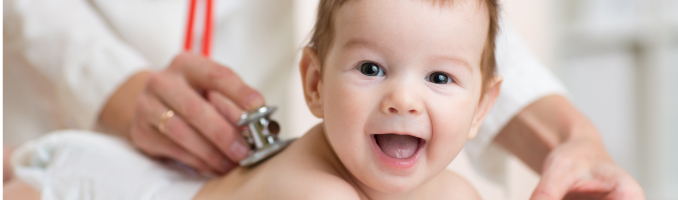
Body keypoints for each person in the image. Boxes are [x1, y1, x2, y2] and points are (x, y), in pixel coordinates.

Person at [3, 0, 644, 199]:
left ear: (483, 107)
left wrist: (570, 137)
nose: (403, 99)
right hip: (123, 181)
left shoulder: (452, 190)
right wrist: (104, 79)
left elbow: (432, 26)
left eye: (440, 82)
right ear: (313, 84)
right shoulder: (318, 193)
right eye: (370, 68)